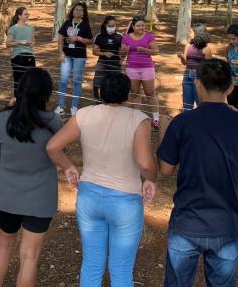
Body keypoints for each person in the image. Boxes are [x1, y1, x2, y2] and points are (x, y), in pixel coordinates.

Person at [157, 59, 238, 287]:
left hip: (186, 222)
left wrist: (163, 134)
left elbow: (166, 169)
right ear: (230, 87)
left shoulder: (182, 122)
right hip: (225, 223)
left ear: (198, 84)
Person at [46, 72, 157, 287]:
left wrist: (68, 166)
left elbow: (52, 147)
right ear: (127, 94)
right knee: (121, 269)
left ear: (99, 92)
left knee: (92, 263)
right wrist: (152, 179)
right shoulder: (138, 119)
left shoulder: (84, 114)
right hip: (125, 201)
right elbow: (145, 164)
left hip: (89, 197)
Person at [0, 68, 63, 287]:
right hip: (41, 197)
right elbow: (58, 154)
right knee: (29, 255)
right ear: (46, 95)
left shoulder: (1, 119)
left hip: (8, 194)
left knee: (3, 244)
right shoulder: (53, 123)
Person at [121, 15, 160, 129]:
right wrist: (123, 53)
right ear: (133, 26)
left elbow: (156, 51)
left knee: (150, 93)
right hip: (132, 67)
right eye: (138, 25)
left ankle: (156, 118)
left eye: (143, 25)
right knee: (134, 93)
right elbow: (123, 52)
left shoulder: (149, 36)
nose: (141, 27)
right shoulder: (126, 37)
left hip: (147, 68)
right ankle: (138, 118)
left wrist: (144, 50)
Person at [55, 2, 93, 116]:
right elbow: (60, 38)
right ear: (72, 11)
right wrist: (61, 52)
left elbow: (90, 41)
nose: (78, 11)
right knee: (63, 80)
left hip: (79, 57)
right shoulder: (67, 23)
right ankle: (60, 106)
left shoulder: (85, 25)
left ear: (83, 13)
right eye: (76, 9)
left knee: (77, 81)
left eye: (80, 10)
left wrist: (78, 38)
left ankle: (74, 106)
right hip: (66, 55)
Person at [177, 24, 211, 111]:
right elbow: (185, 62)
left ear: (198, 33)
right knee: (187, 105)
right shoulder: (188, 45)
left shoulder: (206, 48)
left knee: (200, 104)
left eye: (191, 32)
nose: (189, 33)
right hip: (187, 77)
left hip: (199, 78)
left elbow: (208, 67)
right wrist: (181, 57)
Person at [7, 7, 36, 98]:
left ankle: (29, 104)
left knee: (31, 81)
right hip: (17, 57)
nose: (28, 15)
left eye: (28, 14)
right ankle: (18, 103)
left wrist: (32, 43)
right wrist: (20, 42)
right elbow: (8, 44)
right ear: (19, 16)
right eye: (25, 14)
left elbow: (33, 41)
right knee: (19, 81)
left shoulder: (31, 28)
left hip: (30, 56)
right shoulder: (13, 29)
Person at [92, 15, 123, 100]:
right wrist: (104, 53)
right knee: (97, 83)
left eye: (113, 26)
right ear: (105, 25)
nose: (112, 28)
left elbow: (124, 51)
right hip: (102, 63)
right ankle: (97, 101)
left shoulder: (120, 37)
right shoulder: (99, 36)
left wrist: (122, 59)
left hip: (115, 64)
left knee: (116, 84)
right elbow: (94, 51)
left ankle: (114, 102)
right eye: (109, 26)